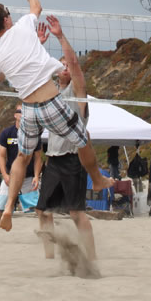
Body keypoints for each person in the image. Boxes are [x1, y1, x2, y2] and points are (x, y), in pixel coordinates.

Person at [0, 0, 114, 232]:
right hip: (49, 103)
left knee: (22, 157)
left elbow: (0, 75)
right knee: (83, 138)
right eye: (8, 14)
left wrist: (34, 48)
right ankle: (97, 179)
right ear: (6, 19)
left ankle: (8, 207)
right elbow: (36, 7)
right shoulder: (23, 27)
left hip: (28, 110)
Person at [35, 16, 97, 260]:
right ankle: (49, 257)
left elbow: (75, 65)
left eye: (66, 66)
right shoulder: (53, 94)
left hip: (73, 159)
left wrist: (60, 36)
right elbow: (36, 72)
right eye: (60, 65)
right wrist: (39, 45)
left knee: (75, 213)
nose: (64, 67)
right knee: (42, 211)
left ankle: (91, 257)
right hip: (53, 160)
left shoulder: (77, 92)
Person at [0, 103, 43, 243]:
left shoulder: (33, 133)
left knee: (39, 209)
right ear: (15, 115)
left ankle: (46, 235)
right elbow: (1, 156)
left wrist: (37, 176)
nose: (23, 113)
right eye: (20, 111)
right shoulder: (7, 133)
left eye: (25, 111)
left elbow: (38, 158)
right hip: (10, 178)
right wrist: (4, 175)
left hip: (28, 178)